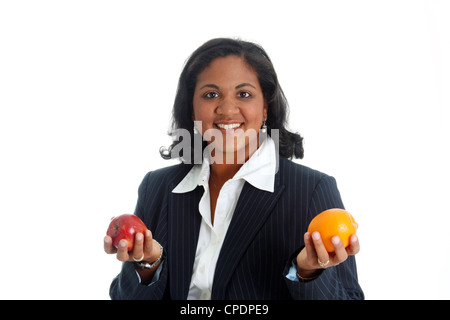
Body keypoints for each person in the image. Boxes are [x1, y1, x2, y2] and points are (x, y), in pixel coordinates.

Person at [103, 38, 364, 300]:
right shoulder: (157, 187)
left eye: (244, 94)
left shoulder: (311, 190)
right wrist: (149, 265)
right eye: (211, 94)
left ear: (265, 108)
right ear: (192, 108)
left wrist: (307, 272)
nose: (227, 109)